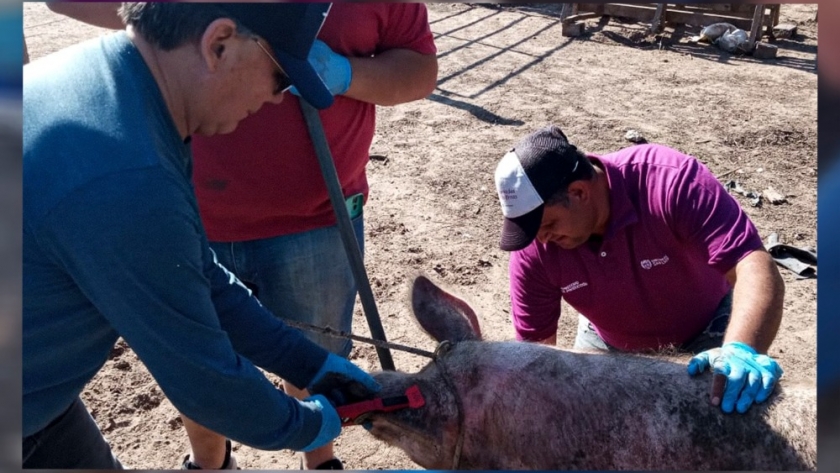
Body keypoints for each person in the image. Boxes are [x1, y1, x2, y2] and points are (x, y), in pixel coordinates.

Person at [23, 3, 380, 469]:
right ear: (218, 45)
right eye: (279, 77)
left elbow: (196, 274)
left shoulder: (117, 88)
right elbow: (204, 379)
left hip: (35, 397)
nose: (277, 98)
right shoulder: (129, 177)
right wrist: (313, 423)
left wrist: (306, 363)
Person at [185, 4, 438, 469]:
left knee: (312, 357)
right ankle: (209, 463)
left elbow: (420, 70)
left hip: (316, 221)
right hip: (193, 216)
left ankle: (319, 461)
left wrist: (343, 73)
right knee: (197, 360)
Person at [493, 125, 785, 415]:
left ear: (579, 192)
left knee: (725, 421)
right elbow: (537, 354)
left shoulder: (670, 181)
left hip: (708, 333)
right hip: (606, 343)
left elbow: (752, 265)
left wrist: (741, 349)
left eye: (548, 225)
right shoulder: (535, 248)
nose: (542, 239)